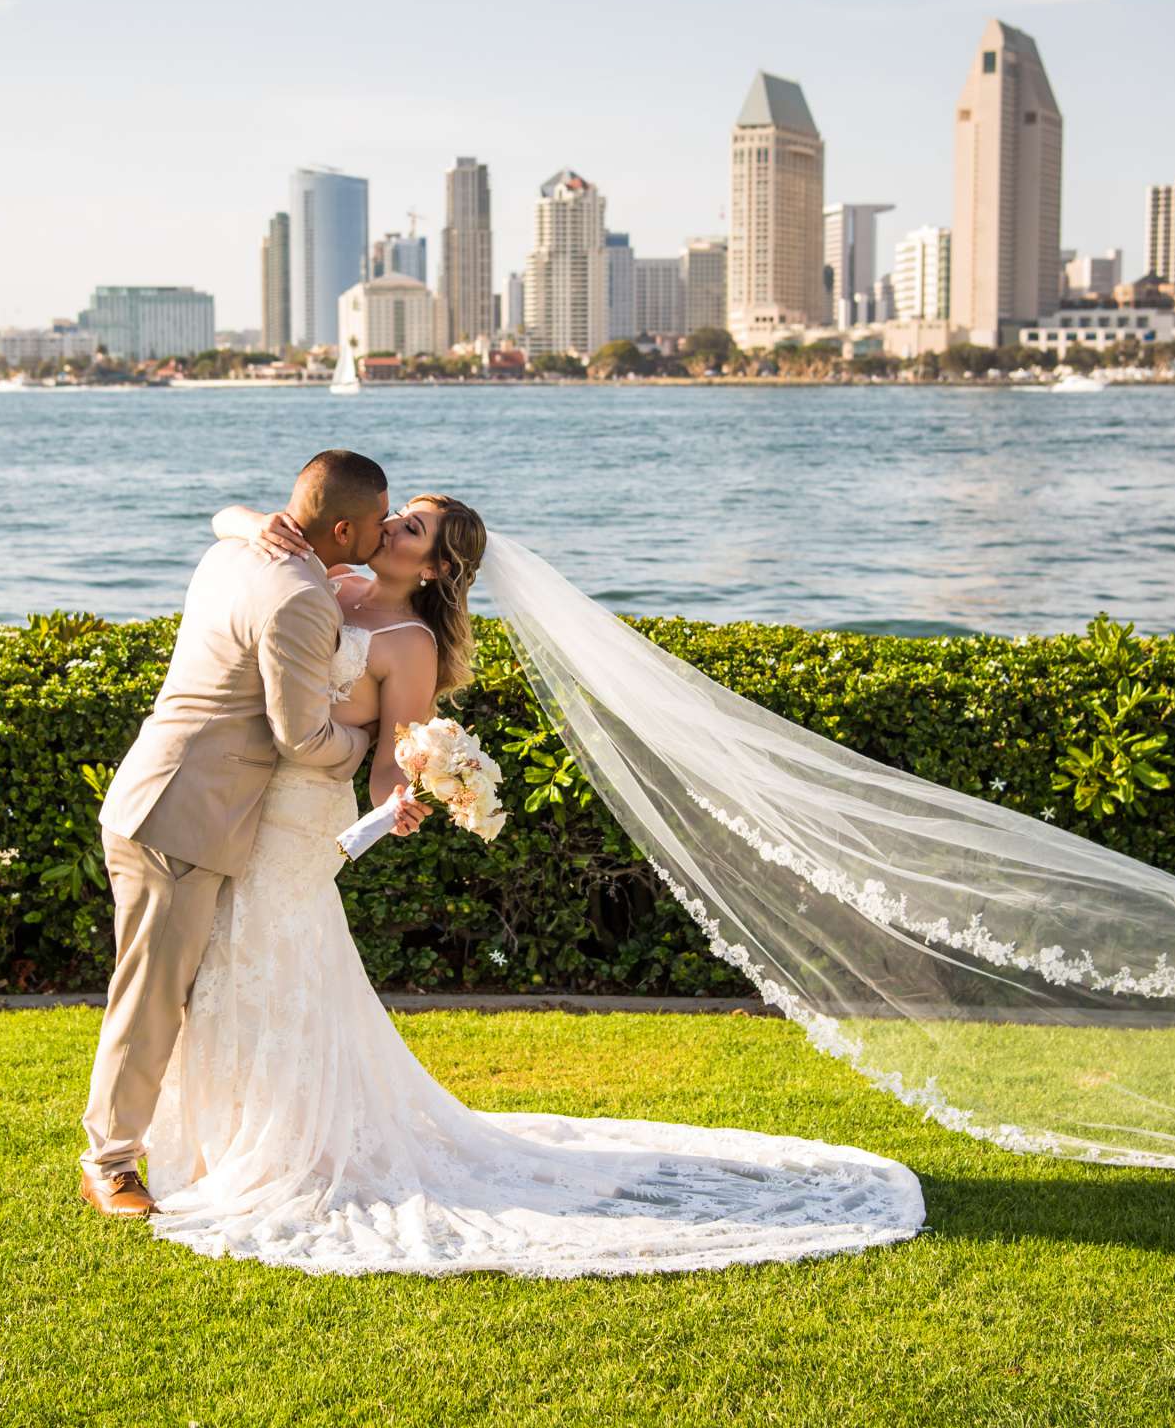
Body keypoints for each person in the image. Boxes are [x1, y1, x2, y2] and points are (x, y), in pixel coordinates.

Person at [122, 492, 925, 1278]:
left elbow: (386, 765)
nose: (389, 525)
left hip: (298, 831)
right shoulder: (331, 582)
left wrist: (397, 805)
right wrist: (255, 521)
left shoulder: (408, 643)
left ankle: (287, 1151)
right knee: (228, 973)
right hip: (241, 808)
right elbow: (236, 532)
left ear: (436, 568)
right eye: (395, 516)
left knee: (270, 967)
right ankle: (219, 1137)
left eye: (410, 528)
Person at [77, 449, 429, 1219]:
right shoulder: (303, 596)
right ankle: (109, 1163)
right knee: (150, 994)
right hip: (183, 812)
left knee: (196, 992)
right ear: (343, 526)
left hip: (170, 794)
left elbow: (226, 517)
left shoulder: (236, 547)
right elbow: (302, 737)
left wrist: (243, 515)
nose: (385, 529)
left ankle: (215, 1139)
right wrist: (362, 746)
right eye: (378, 520)